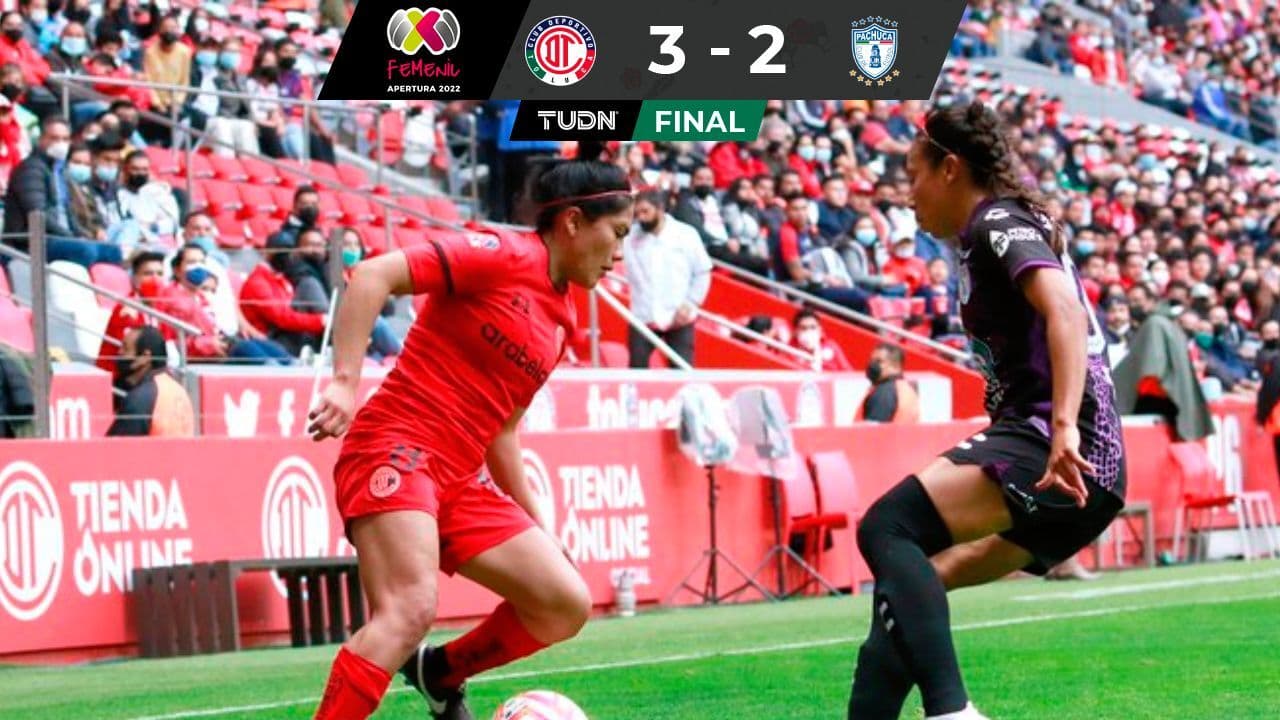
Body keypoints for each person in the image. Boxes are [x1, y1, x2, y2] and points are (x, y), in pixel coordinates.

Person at [306, 162, 633, 720]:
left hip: (460, 476)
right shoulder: (501, 253)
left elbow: (503, 429)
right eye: (618, 233)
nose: (619, 254)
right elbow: (373, 275)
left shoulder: (563, 322)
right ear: (574, 222)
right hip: (397, 444)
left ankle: (438, 673)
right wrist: (344, 382)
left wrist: (539, 526)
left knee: (564, 602)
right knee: (409, 609)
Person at [847, 101, 1126, 720]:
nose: (908, 196)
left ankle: (952, 711)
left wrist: (1062, 430)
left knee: (887, 528)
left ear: (950, 168)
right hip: (1088, 468)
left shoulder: (996, 221)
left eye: (913, 176)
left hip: (1057, 445)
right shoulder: (992, 230)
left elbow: (1065, 310)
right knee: (907, 589)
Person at [2, 116, 124, 268]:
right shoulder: (31, 169)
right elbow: (39, 215)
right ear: (41, 139)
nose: (60, 144)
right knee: (85, 251)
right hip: (33, 241)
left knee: (112, 251)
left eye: (65, 139)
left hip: (62, 238)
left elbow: (68, 213)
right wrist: (71, 237)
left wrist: (83, 235)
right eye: (54, 138)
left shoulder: (60, 171)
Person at [623, 188, 712, 368]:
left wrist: (691, 302)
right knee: (636, 371)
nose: (641, 218)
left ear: (660, 208)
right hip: (642, 315)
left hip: (679, 315)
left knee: (682, 371)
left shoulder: (686, 234)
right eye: (637, 213)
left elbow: (702, 271)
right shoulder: (629, 237)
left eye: (645, 211)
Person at [106, 325, 194, 437]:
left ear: (145, 357)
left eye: (126, 348)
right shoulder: (179, 390)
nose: (119, 352)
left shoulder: (141, 398)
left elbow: (115, 445)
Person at [96, 249, 164, 373]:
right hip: (119, 376)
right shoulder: (127, 309)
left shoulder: (159, 307)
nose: (155, 279)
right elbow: (129, 356)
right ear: (135, 278)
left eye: (160, 273)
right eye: (148, 273)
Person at [858, 343, 920, 423]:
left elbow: (872, 428)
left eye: (879, 361)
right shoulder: (907, 387)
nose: (872, 365)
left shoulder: (884, 393)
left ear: (895, 366)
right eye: (871, 360)